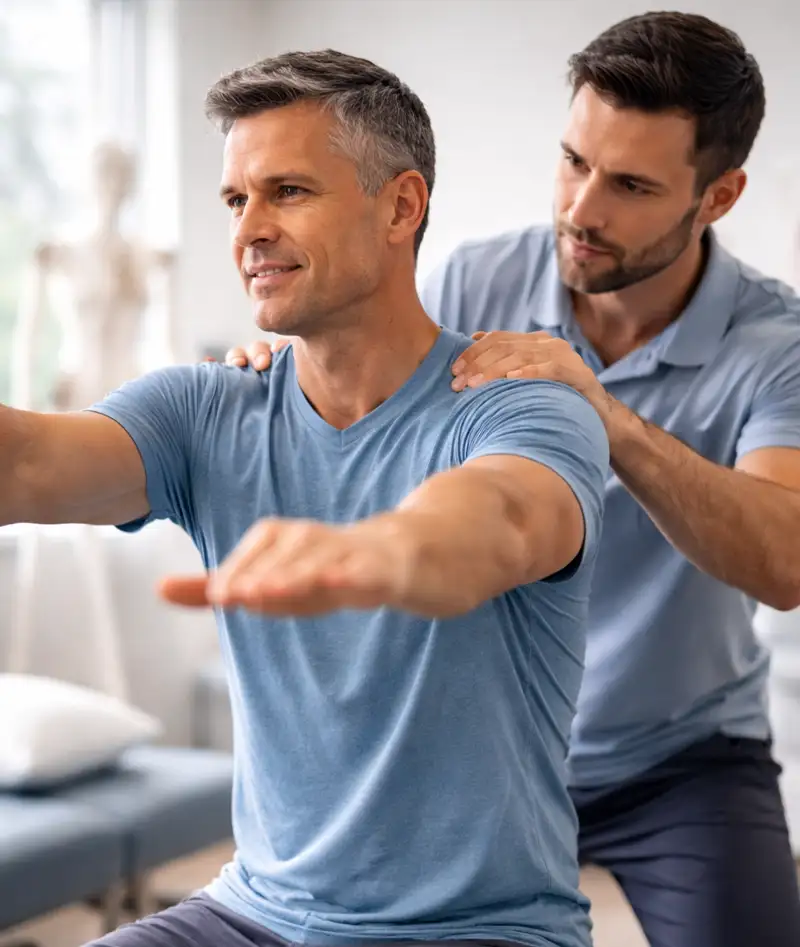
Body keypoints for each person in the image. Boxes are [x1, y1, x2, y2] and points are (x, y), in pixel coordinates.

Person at [1, 51, 610, 947]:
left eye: (287, 190)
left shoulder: (522, 401)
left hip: (481, 926)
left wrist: (378, 551)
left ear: (401, 206)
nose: (249, 228)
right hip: (254, 911)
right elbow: (26, 463)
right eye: (235, 200)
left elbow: (501, 518)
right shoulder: (208, 409)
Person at [228, 13, 800, 947]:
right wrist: (292, 352)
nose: (581, 208)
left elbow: (786, 558)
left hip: (680, 755)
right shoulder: (474, 278)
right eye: (574, 161)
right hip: (484, 746)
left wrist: (605, 417)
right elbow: (364, 387)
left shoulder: (779, 346)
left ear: (719, 196)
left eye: (631, 185)